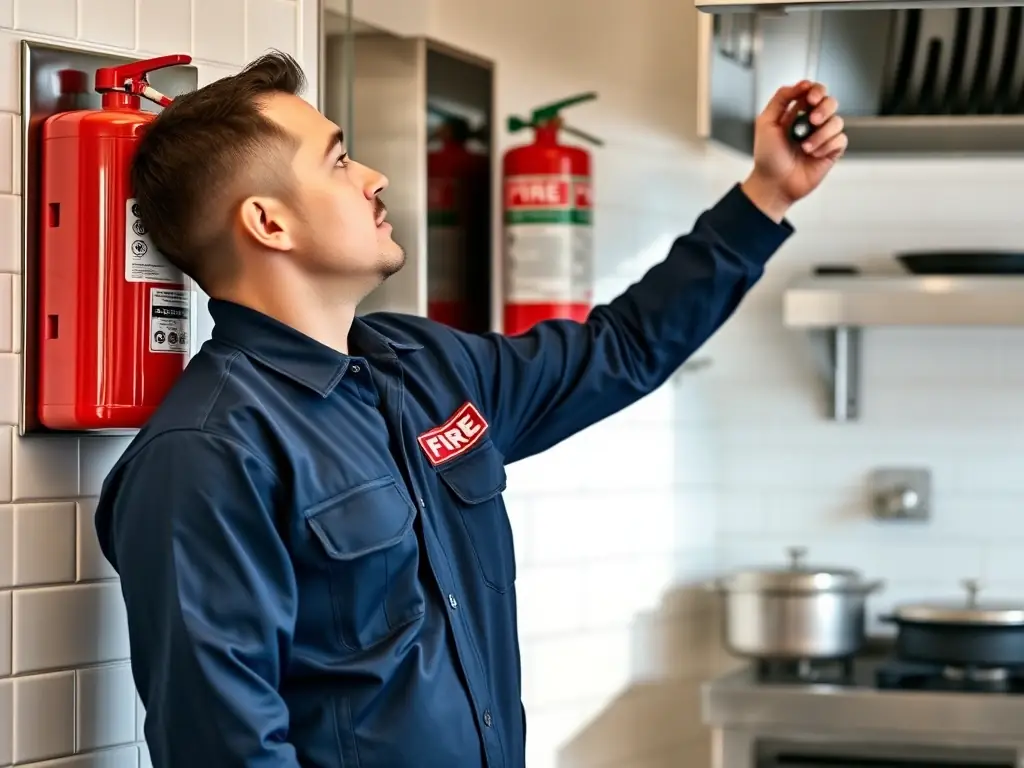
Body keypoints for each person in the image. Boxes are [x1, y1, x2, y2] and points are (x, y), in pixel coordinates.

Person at [95, 51, 847, 768]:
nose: (373, 176)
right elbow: (225, 749)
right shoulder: (206, 455)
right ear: (269, 223)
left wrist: (768, 195)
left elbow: (620, 350)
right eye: (337, 160)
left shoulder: (428, 369)